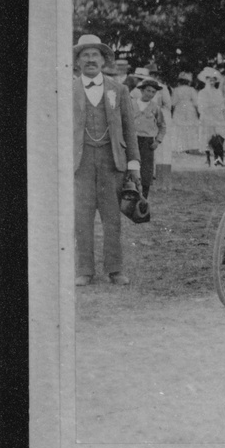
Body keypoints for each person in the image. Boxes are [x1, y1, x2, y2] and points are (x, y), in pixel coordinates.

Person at [73, 35, 141, 286]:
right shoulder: (68, 89)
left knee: (112, 217)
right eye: (85, 55)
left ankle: (115, 269)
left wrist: (133, 164)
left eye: (95, 55)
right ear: (78, 61)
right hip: (80, 162)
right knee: (82, 218)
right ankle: (84, 270)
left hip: (112, 160)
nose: (90, 60)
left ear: (103, 60)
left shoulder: (118, 89)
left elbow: (129, 129)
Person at [132, 79, 167, 197]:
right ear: (141, 90)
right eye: (148, 91)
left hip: (147, 142)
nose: (150, 94)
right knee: (132, 167)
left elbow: (162, 126)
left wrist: (157, 141)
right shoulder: (131, 104)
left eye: (153, 92)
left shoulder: (155, 108)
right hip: (132, 141)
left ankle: (143, 198)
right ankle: (131, 194)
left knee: (146, 171)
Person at [197, 67, 225, 163]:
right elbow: (201, 106)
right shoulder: (202, 92)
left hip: (217, 115)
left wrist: (220, 113)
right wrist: (206, 112)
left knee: (219, 134)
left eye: (213, 80)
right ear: (206, 80)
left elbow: (221, 105)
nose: (211, 82)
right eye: (209, 80)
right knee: (206, 135)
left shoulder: (217, 92)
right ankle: (207, 158)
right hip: (206, 115)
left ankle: (218, 157)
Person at [171, 72, 201, 153]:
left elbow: (173, 102)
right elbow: (196, 102)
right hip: (189, 107)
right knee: (190, 126)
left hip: (179, 107)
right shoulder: (191, 90)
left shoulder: (176, 90)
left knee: (180, 126)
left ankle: (181, 146)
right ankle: (190, 146)